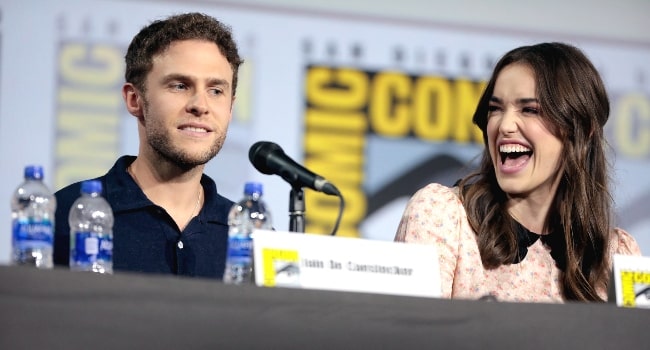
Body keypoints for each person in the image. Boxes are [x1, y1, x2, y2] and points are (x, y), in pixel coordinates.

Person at [395, 42, 642, 302]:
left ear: (580, 130)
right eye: (495, 109)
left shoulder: (618, 256)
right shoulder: (442, 216)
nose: (505, 125)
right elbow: (411, 334)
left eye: (530, 110)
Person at [53, 12, 243, 279]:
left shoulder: (249, 235)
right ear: (134, 99)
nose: (201, 105)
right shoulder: (67, 214)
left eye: (216, 90)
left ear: (230, 108)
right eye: (180, 85)